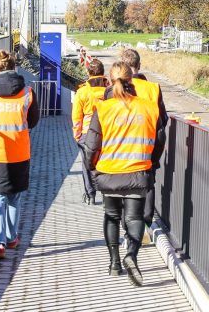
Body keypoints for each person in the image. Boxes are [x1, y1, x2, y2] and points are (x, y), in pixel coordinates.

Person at [83, 61, 165, 286]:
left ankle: (114, 263)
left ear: (108, 81)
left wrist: (92, 168)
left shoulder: (104, 108)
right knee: (134, 217)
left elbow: (91, 145)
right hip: (138, 171)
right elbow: (159, 140)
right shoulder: (149, 108)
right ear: (133, 79)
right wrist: (152, 162)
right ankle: (132, 255)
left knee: (111, 216)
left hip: (109, 172)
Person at [0, 49, 39, 260]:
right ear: (15, 67)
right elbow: (33, 121)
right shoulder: (27, 92)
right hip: (19, 153)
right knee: (14, 197)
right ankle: (12, 238)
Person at [111, 48, 169, 231]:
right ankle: (145, 224)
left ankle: (127, 225)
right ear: (139, 65)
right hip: (147, 145)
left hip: (120, 146)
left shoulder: (113, 89)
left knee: (122, 188)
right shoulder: (153, 88)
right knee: (148, 184)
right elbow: (163, 119)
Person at [71, 58, 109, 205]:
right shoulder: (109, 90)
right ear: (103, 73)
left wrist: (77, 135)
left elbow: (76, 117)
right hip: (107, 132)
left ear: (88, 72)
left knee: (87, 164)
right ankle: (107, 194)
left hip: (87, 133)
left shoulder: (82, 92)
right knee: (105, 163)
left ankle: (90, 194)